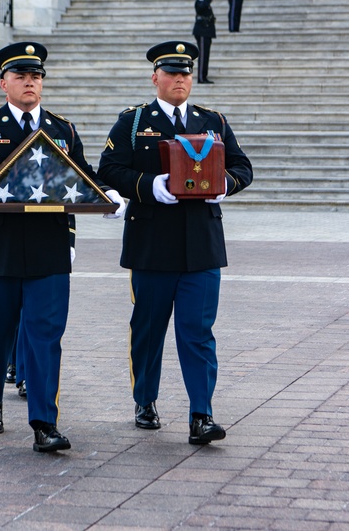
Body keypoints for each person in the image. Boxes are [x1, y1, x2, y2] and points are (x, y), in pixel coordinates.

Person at [0, 41, 126, 452]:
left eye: (36, 77)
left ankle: (44, 423)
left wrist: (110, 196)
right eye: (21, 77)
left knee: (45, 336)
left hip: (49, 249)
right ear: (4, 83)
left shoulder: (61, 129)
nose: (30, 83)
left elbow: (84, 177)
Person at [97, 41, 253, 445]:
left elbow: (242, 166)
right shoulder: (133, 122)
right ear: (155, 78)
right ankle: (145, 400)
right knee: (148, 329)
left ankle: (201, 414)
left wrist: (224, 184)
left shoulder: (212, 121)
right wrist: (149, 186)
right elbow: (109, 169)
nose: (180, 79)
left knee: (197, 331)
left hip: (201, 244)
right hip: (151, 244)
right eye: (171, 72)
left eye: (185, 72)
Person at [192, 0, 217, 84]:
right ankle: (201, 77)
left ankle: (204, 76)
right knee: (202, 55)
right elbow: (201, 8)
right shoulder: (200, 0)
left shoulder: (205, 1)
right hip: (202, 31)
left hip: (207, 31)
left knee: (206, 55)